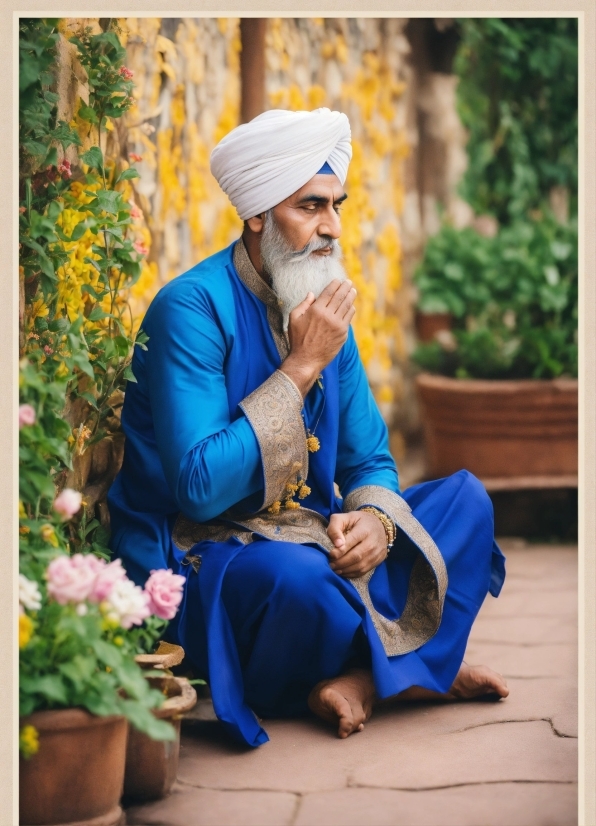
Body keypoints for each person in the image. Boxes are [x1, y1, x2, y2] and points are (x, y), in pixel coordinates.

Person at [108, 108, 508, 749]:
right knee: (295, 580)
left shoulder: (318, 296)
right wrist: (300, 367)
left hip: (318, 538)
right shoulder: (191, 307)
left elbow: (370, 459)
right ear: (259, 214)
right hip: (213, 550)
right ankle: (415, 667)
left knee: (463, 500)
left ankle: (369, 680)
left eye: (336, 207)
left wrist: (375, 523)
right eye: (311, 207)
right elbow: (199, 487)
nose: (331, 229)